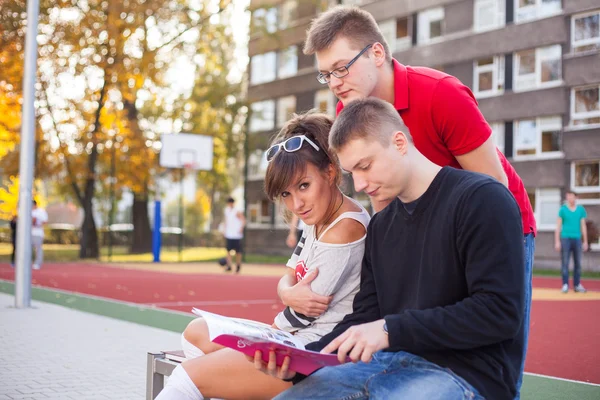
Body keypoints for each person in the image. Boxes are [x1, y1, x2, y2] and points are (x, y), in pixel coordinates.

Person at [303, 6, 536, 396]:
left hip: (490, 220)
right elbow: (385, 213)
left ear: (377, 53)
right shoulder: (352, 112)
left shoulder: (442, 94)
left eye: (342, 68)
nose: (334, 83)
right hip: (421, 216)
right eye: (326, 74)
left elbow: (491, 188)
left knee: (494, 342)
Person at [254, 98, 525, 400]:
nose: (358, 185)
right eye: (351, 172)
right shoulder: (381, 227)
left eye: (365, 166)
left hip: (463, 373)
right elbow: (364, 316)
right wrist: (303, 358)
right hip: (381, 365)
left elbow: (499, 313)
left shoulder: (482, 200)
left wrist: (389, 329)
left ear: (398, 142)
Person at [155, 111, 370, 400]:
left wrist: (267, 333)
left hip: (315, 353)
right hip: (293, 337)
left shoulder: (344, 227)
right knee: (196, 332)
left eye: (303, 186)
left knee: (187, 376)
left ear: (330, 172)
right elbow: (290, 273)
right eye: (286, 194)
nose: (296, 204)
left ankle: (205, 385)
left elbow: (304, 313)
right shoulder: (315, 216)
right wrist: (286, 293)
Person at [555, 191, 588, 293]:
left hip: (577, 239)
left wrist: (585, 241)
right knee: (565, 263)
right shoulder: (563, 210)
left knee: (578, 263)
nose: (569, 198)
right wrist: (557, 241)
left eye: (571, 196)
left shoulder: (580, 210)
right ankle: (565, 285)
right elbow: (558, 226)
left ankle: (577, 285)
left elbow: (583, 226)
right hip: (565, 239)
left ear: (576, 197)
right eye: (568, 196)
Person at [222, 197, 245, 273]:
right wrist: (224, 230)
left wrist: (241, 228)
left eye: (231, 203)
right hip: (229, 234)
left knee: (238, 252)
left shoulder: (237, 211)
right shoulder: (226, 210)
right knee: (228, 251)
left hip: (236, 235)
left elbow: (243, 220)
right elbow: (226, 220)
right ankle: (229, 266)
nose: (230, 204)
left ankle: (238, 265)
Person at [31, 200, 48, 270]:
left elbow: (45, 221)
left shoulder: (41, 211)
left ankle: (37, 263)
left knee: (38, 249)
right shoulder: (27, 211)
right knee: (27, 249)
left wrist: (37, 223)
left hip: (38, 233)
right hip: (28, 234)